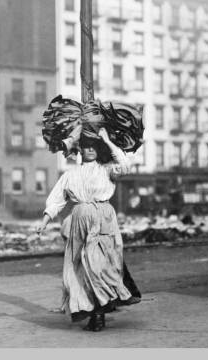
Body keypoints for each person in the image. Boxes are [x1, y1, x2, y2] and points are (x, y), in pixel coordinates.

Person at [36, 126, 141, 331]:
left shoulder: (106, 169)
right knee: (81, 269)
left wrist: (107, 139)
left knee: (98, 266)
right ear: (79, 150)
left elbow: (125, 165)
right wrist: (45, 221)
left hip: (103, 220)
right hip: (80, 221)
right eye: (85, 146)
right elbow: (57, 199)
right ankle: (93, 311)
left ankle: (99, 314)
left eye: (94, 146)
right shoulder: (70, 175)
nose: (90, 149)